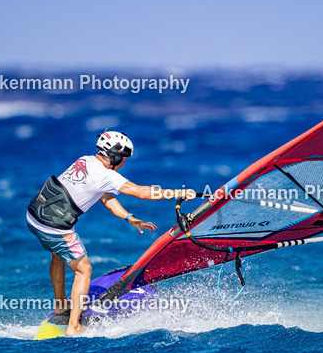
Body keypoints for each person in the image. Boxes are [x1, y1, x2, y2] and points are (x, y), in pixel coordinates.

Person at [26, 131, 196, 336]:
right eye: (123, 159)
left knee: (58, 254)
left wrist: (129, 218)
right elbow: (141, 192)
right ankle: (73, 326)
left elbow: (104, 196)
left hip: (35, 216)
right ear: (114, 157)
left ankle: (60, 304)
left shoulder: (85, 161)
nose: (123, 164)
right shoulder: (106, 175)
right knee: (84, 270)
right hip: (55, 227)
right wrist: (179, 193)